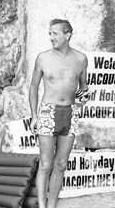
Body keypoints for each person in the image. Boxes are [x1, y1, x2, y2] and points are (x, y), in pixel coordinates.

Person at [29, 19, 89, 208]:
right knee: (46, 165)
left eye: (54, 33)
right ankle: (41, 205)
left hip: (70, 113)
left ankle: (52, 205)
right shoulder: (43, 58)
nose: (51, 37)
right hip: (48, 111)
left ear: (67, 35)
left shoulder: (81, 59)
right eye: (50, 33)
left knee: (61, 164)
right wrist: (34, 116)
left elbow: (83, 88)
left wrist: (82, 99)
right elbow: (33, 87)